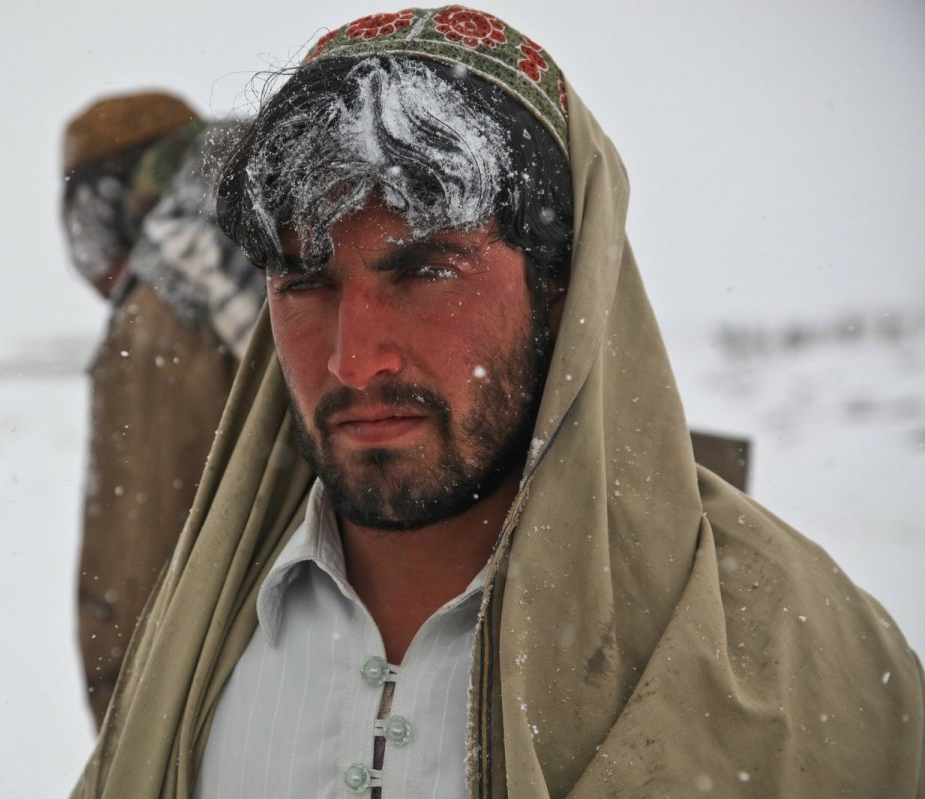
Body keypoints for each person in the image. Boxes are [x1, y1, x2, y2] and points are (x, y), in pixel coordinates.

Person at [72, 8, 924, 797]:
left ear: (560, 290)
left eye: (425, 271)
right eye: (306, 279)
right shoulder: (194, 658)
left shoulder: (791, 657)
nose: (355, 359)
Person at [61, 95, 265, 726]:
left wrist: (129, 723)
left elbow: (137, 568)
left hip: (222, 702)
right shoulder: (278, 235)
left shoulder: (162, 306)